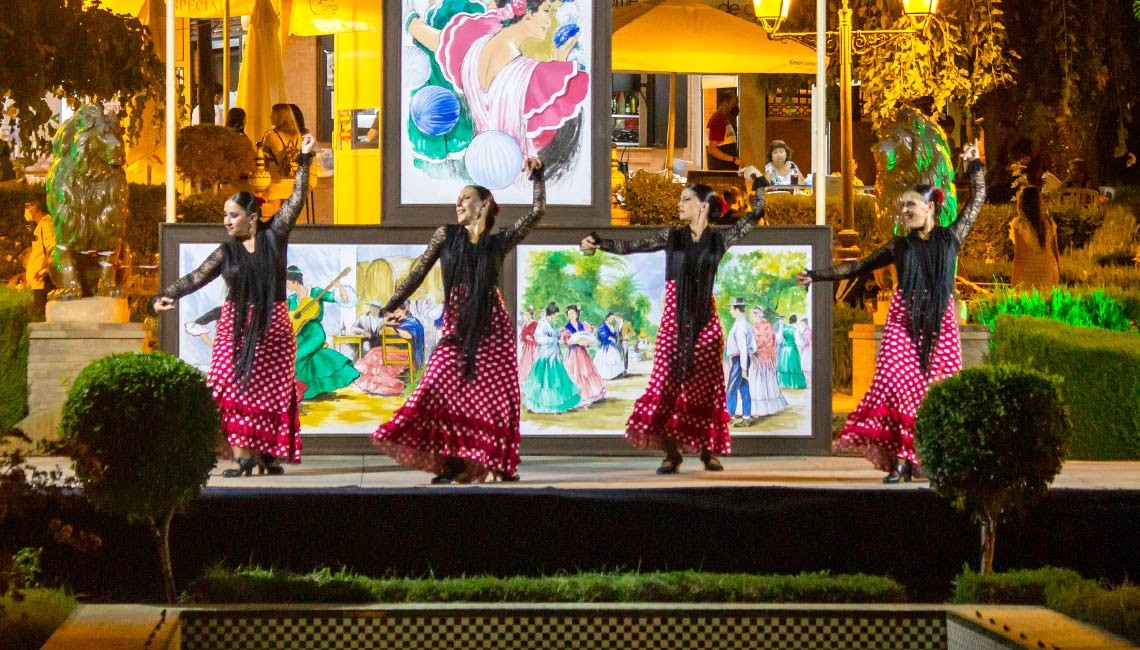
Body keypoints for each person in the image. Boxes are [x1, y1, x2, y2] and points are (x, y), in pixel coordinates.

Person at [796, 141, 985, 483]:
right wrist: (815, 275)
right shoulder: (900, 245)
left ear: (931, 208)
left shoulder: (951, 237)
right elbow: (858, 266)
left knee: (934, 392)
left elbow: (977, 201)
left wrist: (975, 165)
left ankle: (925, 458)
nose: (905, 211)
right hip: (902, 319)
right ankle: (900, 459)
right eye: (903, 207)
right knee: (897, 382)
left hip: (939, 323)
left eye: (911, 205)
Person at [150, 133, 317, 477]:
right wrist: (164, 295)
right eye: (225, 215)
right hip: (235, 327)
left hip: (273, 326)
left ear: (252, 216)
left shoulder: (274, 237)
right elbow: (195, 277)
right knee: (231, 386)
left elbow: (297, 199)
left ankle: (266, 454)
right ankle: (243, 457)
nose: (226, 221)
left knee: (271, 391)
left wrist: (304, 159)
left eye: (233, 214)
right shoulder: (225, 252)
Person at [579, 168, 767, 474]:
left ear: (703, 206)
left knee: (705, 388)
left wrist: (758, 180)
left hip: (706, 322)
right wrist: (599, 242)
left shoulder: (720, 239)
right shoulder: (672, 236)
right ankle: (670, 453)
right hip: (672, 321)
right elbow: (633, 246)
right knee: (666, 385)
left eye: (686, 199)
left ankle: (708, 451)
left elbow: (756, 212)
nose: (679, 204)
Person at [372, 157, 546, 484]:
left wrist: (538, 176)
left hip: (491, 327)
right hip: (456, 325)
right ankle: (450, 461)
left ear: (484, 205)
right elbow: (418, 271)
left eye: (466, 197)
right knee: (437, 383)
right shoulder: (446, 235)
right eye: (458, 198)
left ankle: (490, 462)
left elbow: (536, 213)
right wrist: (391, 304)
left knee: (494, 398)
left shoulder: (498, 242)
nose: (459, 202)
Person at [406, 1, 588, 168]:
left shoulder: (473, 46)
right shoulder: (528, 73)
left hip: (484, 157)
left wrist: (409, 19)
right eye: (546, 11)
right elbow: (555, 97)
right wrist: (560, 60)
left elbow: (434, 39)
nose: (549, 21)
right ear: (528, 12)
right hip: (506, 162)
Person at [354, 302, 425, 397]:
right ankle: (378, 385)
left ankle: (389, 385)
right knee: (375, 353)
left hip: (405, 353)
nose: (396, 315)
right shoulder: (398, 322)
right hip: (395, 351)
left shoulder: (411, 322)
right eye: (394, 313)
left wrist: (393, 329)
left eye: (398, 312)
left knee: (377, 355)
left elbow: (409, 335)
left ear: (406, 309)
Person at [522, 301, 581, 414]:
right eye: (556, 316)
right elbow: (539, 339)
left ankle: (557, 404)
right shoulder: (542, 323)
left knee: (557, 381)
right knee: (545, 381)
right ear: (552, 314)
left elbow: (555, 333)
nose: (556, 318)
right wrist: (555, 340)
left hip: (554, 355)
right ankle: (544, 405)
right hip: (545, 356)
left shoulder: (551, 323)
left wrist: (561, 334)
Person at [1009, 186, 1060, 291]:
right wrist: (1057, 273)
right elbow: (1055, 250)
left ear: (1022, 202)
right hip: (1049, 269)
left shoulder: (1021, 224)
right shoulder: (1048, 222)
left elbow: (1020, 256)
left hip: (1030, 271)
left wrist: (1014, 282)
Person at [561, 304, 605, 405]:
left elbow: (588, 338)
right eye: (569, 313)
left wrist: (586, 342)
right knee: (574, 373)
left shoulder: (583, 325)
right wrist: (571, 342)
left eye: (573, 313)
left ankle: (588, 395)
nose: (571, 315)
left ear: (577, 314)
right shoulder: (566, 328)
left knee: (586, 372)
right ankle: (576, 396)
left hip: (582, 352)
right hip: (573, 353)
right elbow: (566, 341)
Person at [747, 307, 788, 417]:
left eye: (752, 315)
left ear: (757, 315)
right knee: (768, 381)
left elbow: (755, 344)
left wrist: (749, 351)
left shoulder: (755, 327)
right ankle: (772, 405)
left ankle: (759, 409)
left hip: (757, 359)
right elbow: (773, 342)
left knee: (758, 381)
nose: (751, 318)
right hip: (768, 359)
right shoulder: (769, 326)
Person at [725, 297, 756, 427]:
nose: (731, 311)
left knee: (731, 390)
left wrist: (743, 368)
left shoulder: (740, 326)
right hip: (742, 360)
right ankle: (746, 417)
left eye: (732, 308)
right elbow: (753, 347)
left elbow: (743, 349)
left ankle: (729, 418)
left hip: (739, 361)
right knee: (744, 389)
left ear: (737, 309)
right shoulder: (746, 325)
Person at [24, 198, 55, 321]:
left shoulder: (46, 224)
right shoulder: (40, 225)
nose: (27, 209)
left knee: (39, 317)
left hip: (41, 280)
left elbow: (51, 246)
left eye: (29, 205)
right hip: (37, 281)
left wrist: (44, 267)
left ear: (37, 207)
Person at [260, 103, 302, 178]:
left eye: (272, 114)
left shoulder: (270, 135)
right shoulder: (298, 135)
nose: (270, 116)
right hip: (295, 179)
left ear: (278, 117)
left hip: (275, 178)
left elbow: (263, 160)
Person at [706, 88, 742, 171]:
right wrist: (734, 159)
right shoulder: (717, 121)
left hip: (728, 169)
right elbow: (712, 150)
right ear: (726, 102)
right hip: (722, 170)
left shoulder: (724, 119)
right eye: (734, 103)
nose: (736, 107)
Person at [777, 314, 807, 389]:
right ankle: (793, 384)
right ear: (795, 321)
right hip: (792, 350)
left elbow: (779, 339)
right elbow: (799, 342)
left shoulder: (784, 329)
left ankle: (784, 384)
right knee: (793, 366)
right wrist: (804, 341)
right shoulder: (795, 330)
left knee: (785, 366)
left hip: (784, 350)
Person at [593, 311, 625, 380]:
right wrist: (608, 337)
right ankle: (605, 375)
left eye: (613, 319)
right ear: (607, 318)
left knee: (613, 359)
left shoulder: (611, 326)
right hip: (605, 346)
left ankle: (614, 374)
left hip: (612, 345)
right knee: (605, 360)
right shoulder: (603, 325)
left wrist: (619, 327)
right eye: (610, 318)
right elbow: (601, 333)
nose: (611, 320)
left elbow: (615, 334)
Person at [517, 306, 539, 381]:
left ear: (531, 314)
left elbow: (537, 334)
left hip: (533, 345)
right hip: (526, 345)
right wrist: (525, 337)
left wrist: (531, 337)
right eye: (526, 314)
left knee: (531, 361)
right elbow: (522, 334)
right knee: (525, 361)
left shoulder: (535, 323)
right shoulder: (525, 324)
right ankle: (525, 378)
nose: (527, 316)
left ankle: (532, 378)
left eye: (528, 314)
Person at [797, 316, 813, 385]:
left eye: (802, 323)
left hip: (807, 349)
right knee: (804, 363)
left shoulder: (807, 330)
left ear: (805, 323)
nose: (802, 324)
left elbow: (807, 340)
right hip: (805, 348)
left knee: (805, 363)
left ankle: (808, 379)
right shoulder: (806, 330)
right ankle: (807, 379)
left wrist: (802, 343)